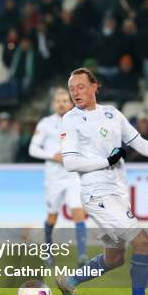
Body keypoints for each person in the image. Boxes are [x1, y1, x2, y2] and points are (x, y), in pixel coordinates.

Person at [57, 68, 148, 295]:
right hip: (98, 194)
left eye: (81, 86)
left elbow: (139, 143)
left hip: (117, 192)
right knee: (142, 242)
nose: (76, 92)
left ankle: (70, 280)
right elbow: (70, 163)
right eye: (72, 88)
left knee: (115, 257)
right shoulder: (70, 120)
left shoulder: (112, 113)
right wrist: (105, 160)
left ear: (95, 86)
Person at [28, 88, 88, 267]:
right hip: (53, 178)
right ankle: (47, 252)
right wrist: (53, 155)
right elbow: (33, 149)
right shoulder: (45, 124)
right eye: (58, 101)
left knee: (78, 212)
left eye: (65, 100)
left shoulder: (79, 122)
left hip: (73, 177)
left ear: (70, 103)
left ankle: (82, 256)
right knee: (52, 218)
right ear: (53, 104)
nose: (61, 103)